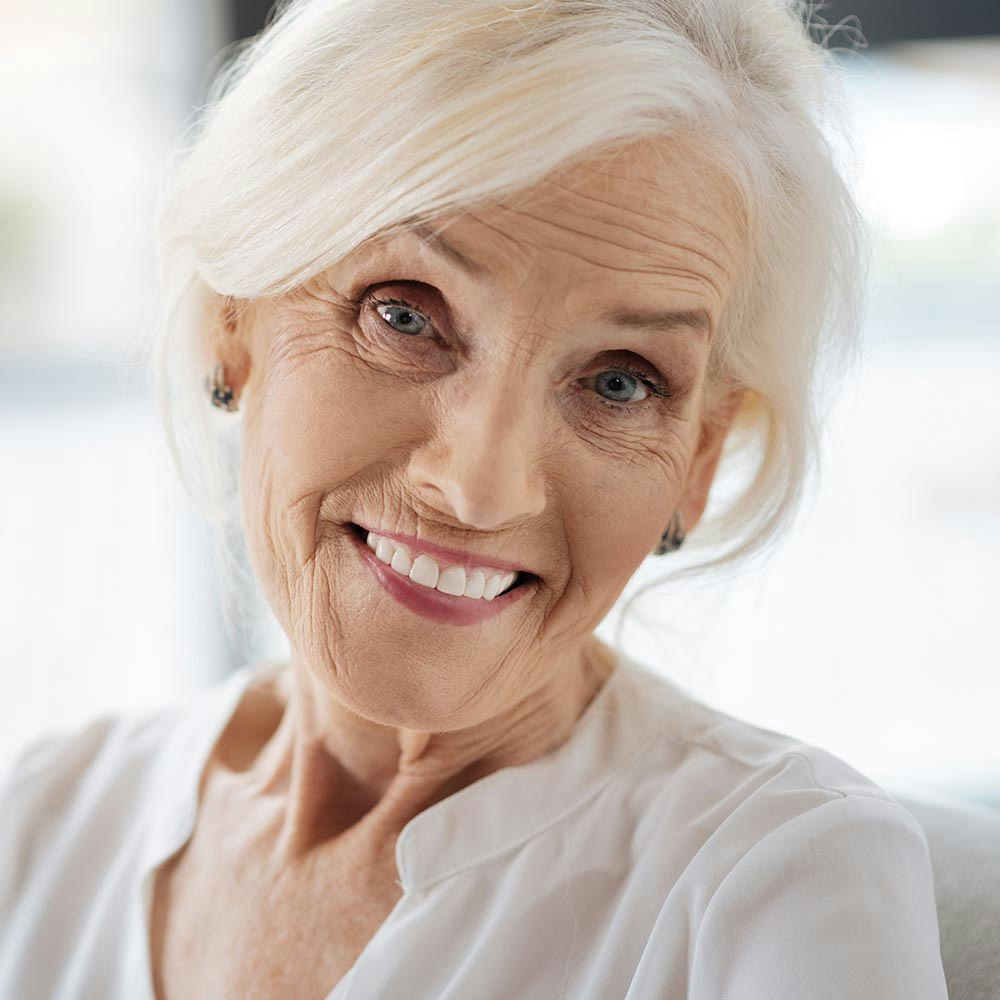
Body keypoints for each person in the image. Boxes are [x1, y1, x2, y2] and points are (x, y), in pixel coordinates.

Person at [0, 0, 949, 997]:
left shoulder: (780, 886)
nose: (480, 487)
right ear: (234, 322)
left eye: (620, 381)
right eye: (405, 315)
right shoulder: (47, 827)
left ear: (700, 460)